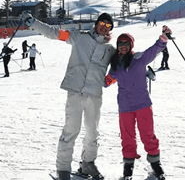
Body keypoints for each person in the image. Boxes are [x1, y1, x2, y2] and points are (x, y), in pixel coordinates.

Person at [21, 11, 115, 180]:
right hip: (75, 92)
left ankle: (88, 163)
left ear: (110, 30)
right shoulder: (79, 37)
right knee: (72, 130)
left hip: (94, 96)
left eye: (108, 25)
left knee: (93, 132)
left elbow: (125, 64)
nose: (104, 27)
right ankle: (63, 169)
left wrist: (142, 70)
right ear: (96, 24)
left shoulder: (110, 50)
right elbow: (55, 33)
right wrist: (33, 23)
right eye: (102, 23)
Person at [104, 26, 172, 180]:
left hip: (142, 105)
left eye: (126, 43)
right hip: (125, 107)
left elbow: (154, 50)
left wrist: (163, 38)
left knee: (148, 135)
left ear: (131, 45)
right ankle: (128, 171)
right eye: (120, 43)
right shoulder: (115, 65)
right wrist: (106, 78)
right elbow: (106, 83)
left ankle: (156, 165)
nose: (123, 46)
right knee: (127, 137)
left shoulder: (139, 58)